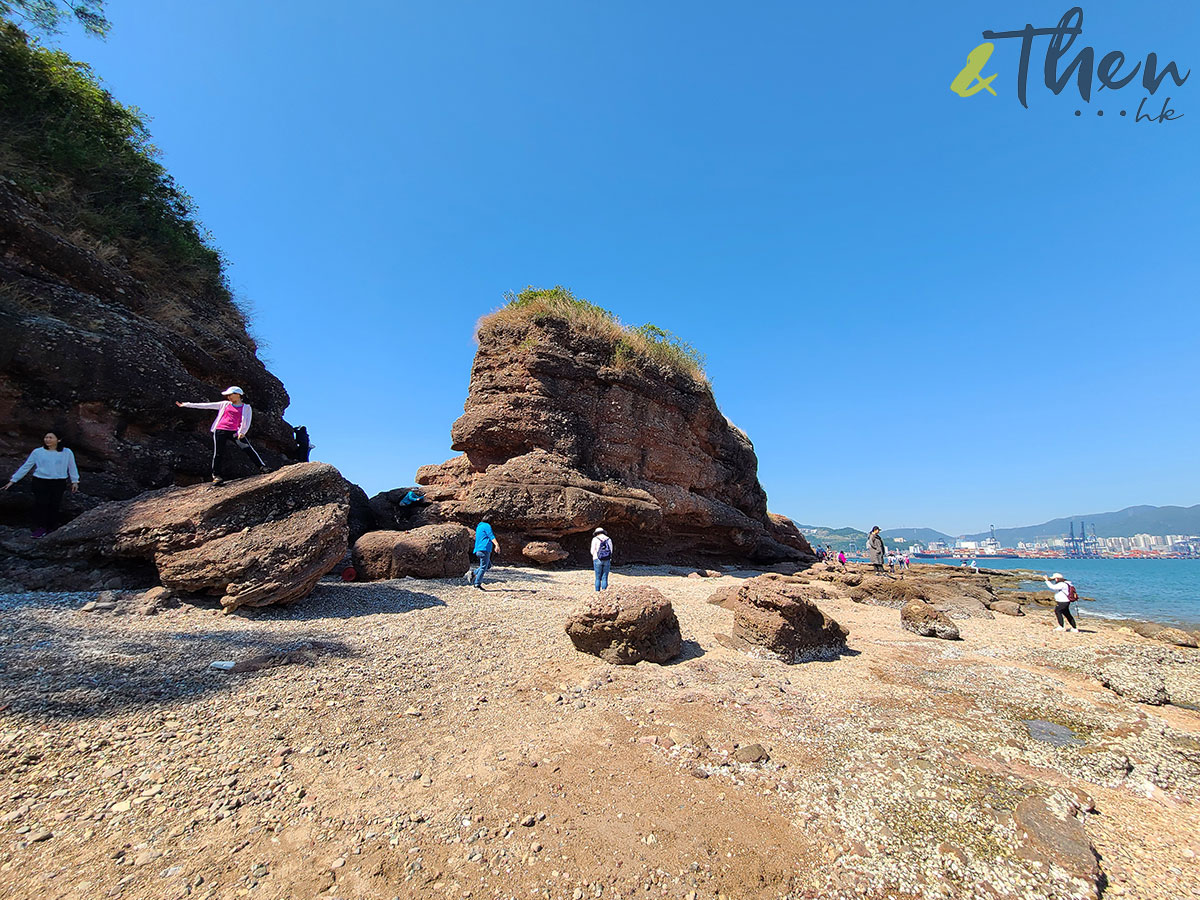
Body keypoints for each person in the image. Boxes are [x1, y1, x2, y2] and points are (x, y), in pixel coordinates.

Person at [176, 386, 268, 485]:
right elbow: (206, 406)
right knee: (218, 453)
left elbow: (246, 420)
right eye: (227, 395)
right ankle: (216, 476)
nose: (229, 397)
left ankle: (262, 467)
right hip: (220, 431)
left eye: (230, 395)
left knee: (248, 449)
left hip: (235, 432)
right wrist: (186, 405)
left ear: (238, 395)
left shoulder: (246, 407)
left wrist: (242, 432)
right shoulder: (224, 404)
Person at [3, 432, 79, 537]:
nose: (47, 439)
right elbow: (26, 466)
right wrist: (13, 480)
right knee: (41, 504)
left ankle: (51, 528)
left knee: (54, 505)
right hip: (40, 481)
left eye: (50, 438)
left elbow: (72, 466)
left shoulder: (67, 452)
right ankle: (41, 528)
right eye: (46, 437)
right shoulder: (38, 452)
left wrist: (75, 481)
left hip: (58, 482)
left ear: (59, 440)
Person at [471, 515, 499, 590]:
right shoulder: (487, 526)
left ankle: (474, 573)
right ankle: (477, 584)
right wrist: (496, 544)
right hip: (484, 549)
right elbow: (491, 535)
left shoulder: (479, 526)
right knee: (483, 567)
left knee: (488, 566)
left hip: (478, 549)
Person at [591, 527, 614, 591]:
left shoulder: (595, 539)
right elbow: (611, 550)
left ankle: (597, 592)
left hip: (597, 559)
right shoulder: (609, 539)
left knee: (597, 578)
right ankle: (604, 592)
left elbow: (592, 550)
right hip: (607, 560)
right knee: (605, 577)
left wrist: (595, 556)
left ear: (596, 533)